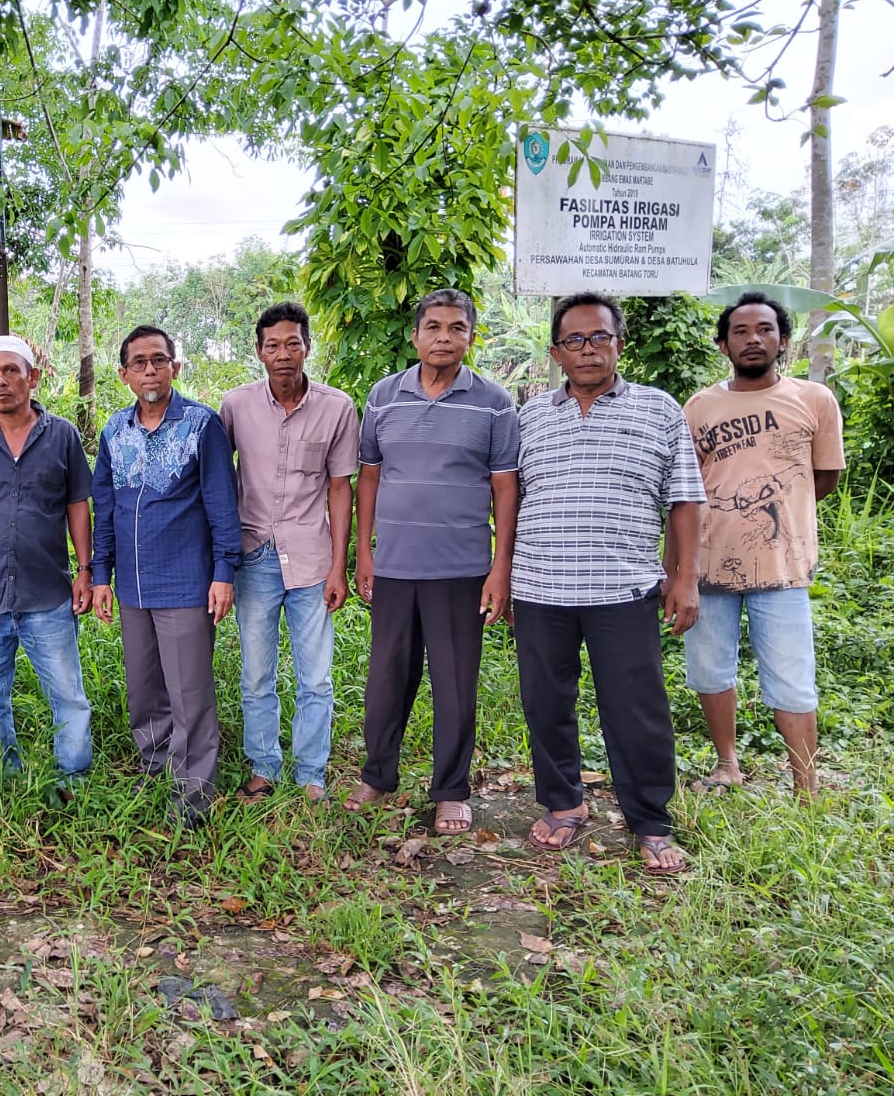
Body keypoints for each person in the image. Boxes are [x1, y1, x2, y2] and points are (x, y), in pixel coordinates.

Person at [512, 293, 705, 876]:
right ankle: (563, 802)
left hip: (624, 589)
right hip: (540, 587)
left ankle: (650, 821)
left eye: (600, 337)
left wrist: (685, 578)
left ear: (620, 344)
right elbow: (510, 498)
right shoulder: (530, 416)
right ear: (556, 353)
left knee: (636, 709)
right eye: (574, 340)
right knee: (546, 703)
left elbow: (685, 499)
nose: (588, 349)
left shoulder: (659, 409)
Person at [346, 290, 518, 835]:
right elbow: (369, 476)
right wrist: (364, 551)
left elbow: (505, 487)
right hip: (394, 566)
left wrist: (500, 566)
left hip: (461, 569)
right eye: (434, 326)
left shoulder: (494, 402)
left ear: (471, 337)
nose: (445, 337)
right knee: (387, 679)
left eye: (457, 327)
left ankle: (451, 791)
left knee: (455, 683)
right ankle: (378, 776)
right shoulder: (383, 396)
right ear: (416, 335)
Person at [678, 292, 844, 799]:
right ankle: (727, 764)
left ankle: (806, 788)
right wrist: (677, 569)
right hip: (710, 566)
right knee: (709, 672)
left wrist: (778, 509)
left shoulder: (814, 400)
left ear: (784, 341)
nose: (754, 339)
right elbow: (684, 493)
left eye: (765, 329)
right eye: (741, 331)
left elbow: (823, 478)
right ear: (723, 345)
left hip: (783, 567)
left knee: (792, 680)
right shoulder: (699, 408)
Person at [92, 325, 241, 827]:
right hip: (133, 587)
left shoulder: (201, 425)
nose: (150, 370)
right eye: (139, 362)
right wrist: (100, 575)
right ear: (124, 374)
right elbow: (105, 508)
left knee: (189, 693)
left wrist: (224, 571)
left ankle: (193, 793)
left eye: (159, 360)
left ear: (175, 367)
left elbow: (222, 503)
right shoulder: (114, 431)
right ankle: (155, 768)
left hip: (185, 583)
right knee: (144, 688)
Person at [219, 301, 357, 804]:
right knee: (256, 674)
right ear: (259, 352)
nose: (283, 354)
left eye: (292, 343)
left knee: (315, 677)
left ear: (307, 347)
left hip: (312, 560)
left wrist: (339, 566)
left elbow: (340, 488)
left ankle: (310, 774)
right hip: (253, 556)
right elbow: (218, 481)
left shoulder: (337, 408)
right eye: (272, 345)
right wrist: (220, 562)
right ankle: (263, 767)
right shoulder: (236, 406)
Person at [0, 335, 95, 786]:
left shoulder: (63, 436)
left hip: (48, 595)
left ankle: (72, 779)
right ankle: (3, 781)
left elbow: (77, 506)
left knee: (67, 696)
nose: (1, 381)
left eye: (11, 370)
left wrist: (85, 570)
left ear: (33, 377)